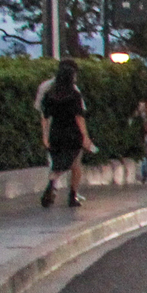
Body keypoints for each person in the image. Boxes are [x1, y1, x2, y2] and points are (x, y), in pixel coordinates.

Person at [36, 60, 92, 208]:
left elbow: (45, 116)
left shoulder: (49, 93)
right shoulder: (74, 93)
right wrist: (85, 136)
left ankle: (52, 182)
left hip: (56, 131)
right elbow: (79, 116)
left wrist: (45, 136)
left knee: (58, 162)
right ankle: (73, 196)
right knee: (75, 163)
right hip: (72, 132)